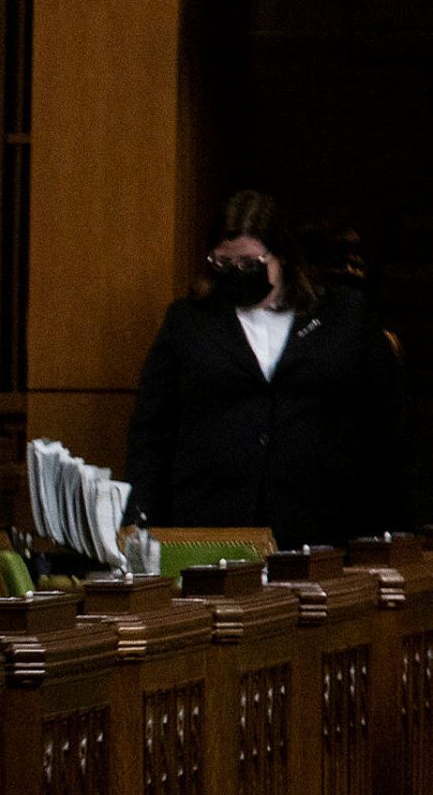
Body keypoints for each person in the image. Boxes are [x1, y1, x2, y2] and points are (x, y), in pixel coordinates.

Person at [125, 189, 410, 548]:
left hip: (324, 523)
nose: (237, 274)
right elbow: (152, 431)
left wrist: (404, 525)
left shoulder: (344, 316)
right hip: (214, 524)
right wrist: (140, 518)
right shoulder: (189, 322)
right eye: (223, 264)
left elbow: (389, 424)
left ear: (282, 257)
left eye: (250, 264)